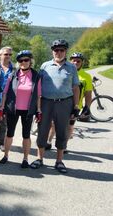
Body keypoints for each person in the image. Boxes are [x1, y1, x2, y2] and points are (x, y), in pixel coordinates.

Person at [31, 39, 80, 173]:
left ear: (65, 52)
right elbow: (38, 87)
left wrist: (76, 106)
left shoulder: (71, 67)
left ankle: (59, 161)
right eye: (56, 50)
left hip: (64, 103)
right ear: (52, 51)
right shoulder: (45, 66)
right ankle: (39, 159)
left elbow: (75, 87)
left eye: (61, 50)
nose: (58, 52)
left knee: (62, 131)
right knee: (42, 129)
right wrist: (37, 107)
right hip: (46, 102)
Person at [0, 50, 41, 168]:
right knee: (9, 133)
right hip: (13, 109)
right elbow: (5, 92)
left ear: (30, 61)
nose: (23, 62)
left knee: (26, 135)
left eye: (26, 60)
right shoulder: (13, 75)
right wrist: (2, 106)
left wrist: (38, 110)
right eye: (20, 60)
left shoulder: (36, 76)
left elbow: (38, 95)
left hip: (28, 110)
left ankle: (25, 159)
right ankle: (5, 155)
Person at [45, 52, 93, 150]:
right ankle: (49, 141)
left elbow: (88, 93)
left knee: (69, 127)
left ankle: (64, 145)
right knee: (54, 124)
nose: (75, 62)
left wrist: (87, 107)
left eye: (78, 61)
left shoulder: (86, 76)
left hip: (75, 106)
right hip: (60, 103)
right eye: (73, 60)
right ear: (70, 61)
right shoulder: (66, 70)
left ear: (82, 62)